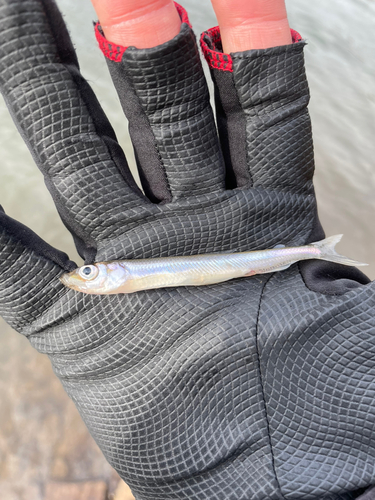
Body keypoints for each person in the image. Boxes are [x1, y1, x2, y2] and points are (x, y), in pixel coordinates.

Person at [0, 0, 373, 498]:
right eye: (91, 277)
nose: (90, 278)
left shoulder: (120, 279)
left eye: (92, 276)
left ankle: (308, 252)